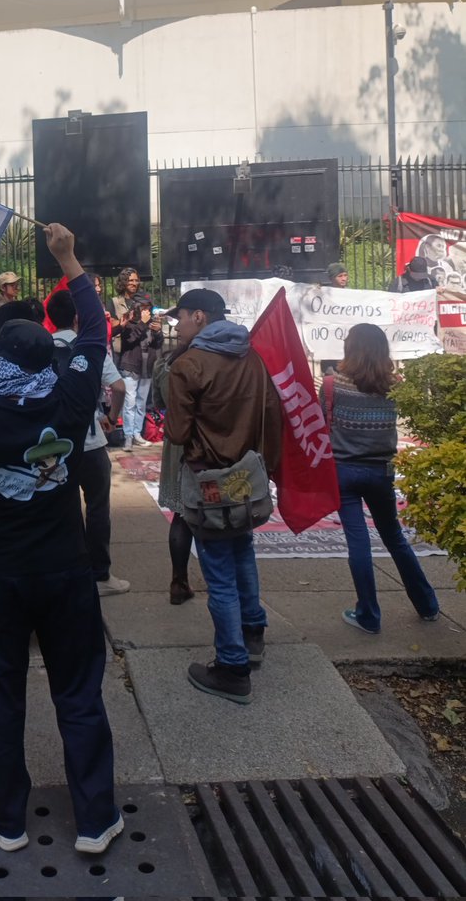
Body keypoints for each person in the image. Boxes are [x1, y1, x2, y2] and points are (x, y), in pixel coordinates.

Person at [0, 224, 123, 857]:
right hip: (66, 573)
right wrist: (68, 259)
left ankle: (5, 818)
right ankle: (96, 819)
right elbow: (95, 333)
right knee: (79, 693)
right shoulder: (71, 399)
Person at [164, 288, 282, 705]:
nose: (176, 325)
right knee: (243, 554)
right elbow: (273, 416)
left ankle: (232, 667)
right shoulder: (251, 356)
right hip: (248, 477)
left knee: (219, 574)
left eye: (180, 317)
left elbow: (177, 434)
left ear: (199, 316)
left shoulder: (189, 365)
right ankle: (253, 636)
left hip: (209, 480)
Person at [320, 323, 439, 634]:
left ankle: (369, 616)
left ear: (350, 348)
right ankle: (427, 605)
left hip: (343, 471)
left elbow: (321, 425)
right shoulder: (394, 385)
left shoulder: (331, 385)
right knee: (394, 538)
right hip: (381, 471)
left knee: (358, 542)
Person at [48, 285, 130, 596]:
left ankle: (68, 571)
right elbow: (119, 387)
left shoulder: (43, 346)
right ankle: (101, 575)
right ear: (79, 317)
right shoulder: (90, 348)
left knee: (62, 509)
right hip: (91, 441)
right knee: (97, 508)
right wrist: (110, 415)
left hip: (55, 444)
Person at [151, 347, 195, 605]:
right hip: (208, 443)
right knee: (209, 514)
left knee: (181, 514)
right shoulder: (213, 361)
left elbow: (158, 403)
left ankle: (178, 581)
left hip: (176, 441)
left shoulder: (166, 361)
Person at [119, 297, 163, 449]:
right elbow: (130, 340)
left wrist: (158, 333)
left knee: (141, 403)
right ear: (137, 309)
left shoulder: (151, 325)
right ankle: (128, 437)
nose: (146, 311)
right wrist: (143, 323)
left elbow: (158, 344)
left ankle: (137, 434)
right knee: (129, 403)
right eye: (143, 308)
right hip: (131, 367)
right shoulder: (129, 324)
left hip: (146, 368)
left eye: (148, 309)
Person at [105, 266, 140, 363]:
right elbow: (110, 324)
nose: (134, 283)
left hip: (138, 349)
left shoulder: (141, 301)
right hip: (120, 351)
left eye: (136, 280)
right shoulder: (114, 302)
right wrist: (126, 318)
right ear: (123, 282)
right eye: (131, 280)